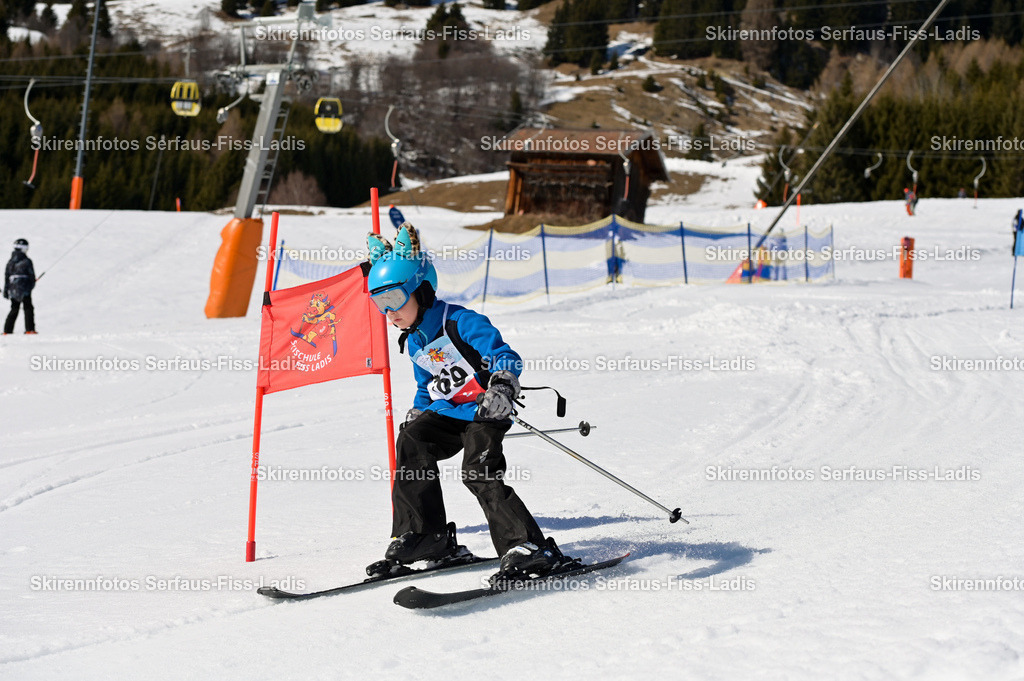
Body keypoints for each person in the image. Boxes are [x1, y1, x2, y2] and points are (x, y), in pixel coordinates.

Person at [365, 223, 569, 580]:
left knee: (477, 470)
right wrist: (418, 411)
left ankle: (528, 547)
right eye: (380, 304)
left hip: (485, 409)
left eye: (394, 299)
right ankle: (425, 535)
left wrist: (503, 386)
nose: (389, 313)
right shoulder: (414, 342)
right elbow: (426, 386)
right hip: (448, 414)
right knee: (412, 441)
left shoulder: (460, 321)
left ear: (422, 289)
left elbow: (504, 356)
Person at [3, 238, 36, 335]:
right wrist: (31, 285)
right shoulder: (27, 261)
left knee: (14, 308)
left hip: (13, 289)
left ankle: (7, 331)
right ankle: (30, 329)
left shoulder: (10, 262)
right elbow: (31, 275)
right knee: (28, 308)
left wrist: (6, 290)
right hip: (25, 287)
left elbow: (6, 277)